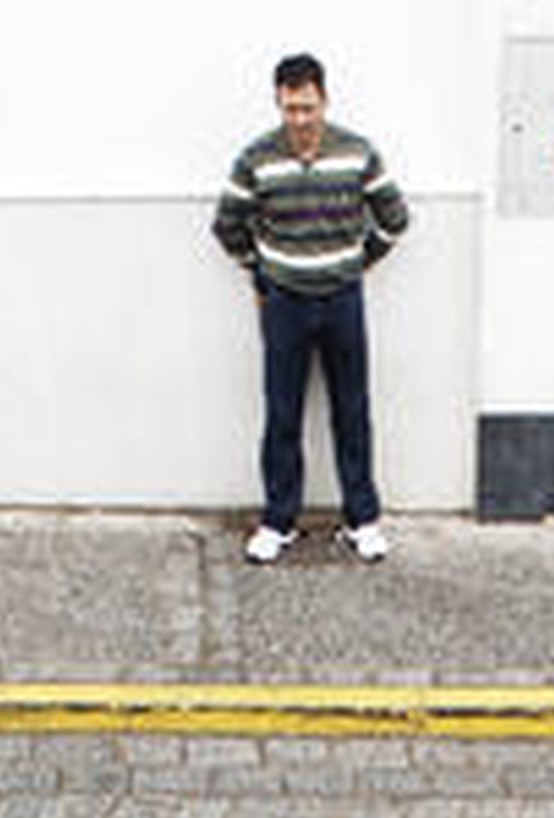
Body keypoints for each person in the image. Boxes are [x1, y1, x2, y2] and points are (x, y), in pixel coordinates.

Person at [213, 54, 409, 563]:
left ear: (325, 99)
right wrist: (259, 272)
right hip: (284, 302)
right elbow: (227, 224)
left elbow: (394, 217)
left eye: (308, 107)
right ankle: (279, 522)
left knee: (353, 410)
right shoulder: (257, 158)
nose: (299, 119)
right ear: (278, 103)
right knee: (282, 414)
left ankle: (362, 520)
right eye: (290, 109)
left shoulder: (357, 153)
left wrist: (358, 262)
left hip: (343, 299)